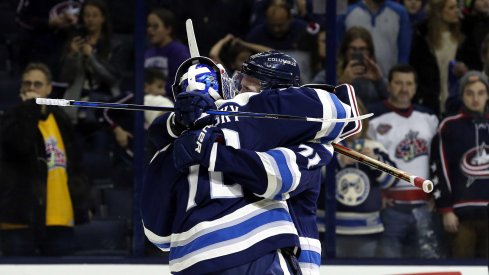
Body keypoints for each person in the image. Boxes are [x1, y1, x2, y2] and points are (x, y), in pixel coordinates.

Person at [142, 51, 357, 274]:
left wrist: (191, 133)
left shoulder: (169, 149)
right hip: (262, 250)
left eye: (247, 90)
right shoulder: (294, 135)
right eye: (239, 87)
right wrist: (212, 150)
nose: (238, 95)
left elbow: (157, 235)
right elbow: (274, 177)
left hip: (190, 262)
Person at [0, 63, 90, 256]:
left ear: (49, 88)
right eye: (27, 84)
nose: (31, 88)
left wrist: (81, 204)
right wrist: (30, 109)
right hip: (21, 219)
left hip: (60, 218)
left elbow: (75, 165)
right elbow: (19, 145)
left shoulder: (61, 119)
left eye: (37, 84)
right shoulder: (10, 118)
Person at [367, 64, 440, 258]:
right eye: (398, 83)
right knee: (388, 267)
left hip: (424, 207)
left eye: (409, 83)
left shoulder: (429, 118)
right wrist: (376, 195)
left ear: (416, 87)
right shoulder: (374, 118)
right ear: (388, 85)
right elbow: (366, 162)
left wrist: (437, 195)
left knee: (425, 268)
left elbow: (438, 159)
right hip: (390, 209)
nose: (404, 88)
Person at [431, 70, 489, 259]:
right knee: (462, 267)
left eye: (480, 93)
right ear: (462, 95)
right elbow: (440, 169)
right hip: (460, 216)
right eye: (470, 93)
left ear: (487, 95)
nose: (475, 98)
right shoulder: (449, 126)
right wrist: (446, 209)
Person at [334, 99, 398, 258]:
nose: (353, 125)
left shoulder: (375, 147)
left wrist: (374, 162)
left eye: (358, 119)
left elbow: (391, 181)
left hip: (367, 229)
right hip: (331, 229)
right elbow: (310, 178)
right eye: (349, 119)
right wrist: (338, 161)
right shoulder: (328, 146)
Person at [409, 0, 464, 116]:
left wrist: (465, 69)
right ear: (439, 12)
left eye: (457, 7)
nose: (456, 11)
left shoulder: (463, 36)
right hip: (430, 99)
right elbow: (416, 69)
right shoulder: (422, 38)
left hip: (456, 98)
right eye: (451, 8)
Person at [337, 0, 412, 77]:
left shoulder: (400, 13)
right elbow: (339, 50)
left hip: (388, 81)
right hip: (353, 78)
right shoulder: (347, 13)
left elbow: (404, 55)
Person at [144, 8, 190, 96]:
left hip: (170, 100)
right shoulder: (148, 52)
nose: (150, 30)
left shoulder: (178, 51)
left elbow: (184, 81)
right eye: (148, 26)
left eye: (155, 26)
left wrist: (164, 90)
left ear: (168, 29)